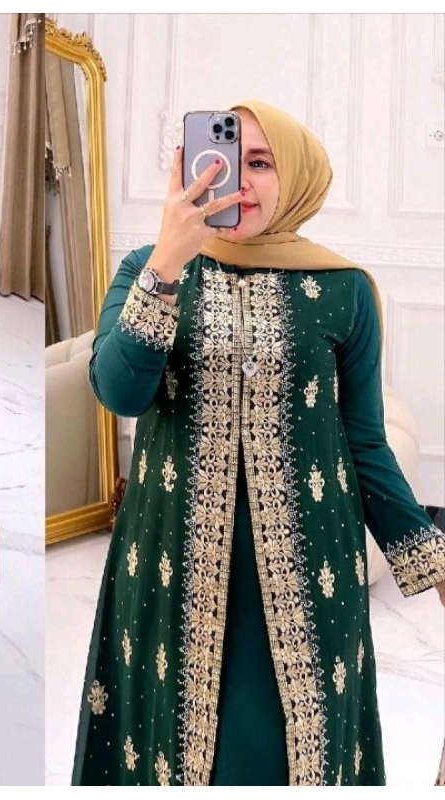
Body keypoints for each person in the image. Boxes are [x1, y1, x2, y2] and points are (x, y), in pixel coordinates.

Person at [71, 100, 445, 786]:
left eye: (262, 162)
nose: (238, 178)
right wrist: (167, 265)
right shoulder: (146, 267)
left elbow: (364, 442)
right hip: (171, 561)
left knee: (282, 748)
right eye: (222, 157)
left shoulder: (344, 290)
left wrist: (433, 561)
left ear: (295, 178)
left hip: (308, 573)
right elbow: (118, 391)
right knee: (172, 746)